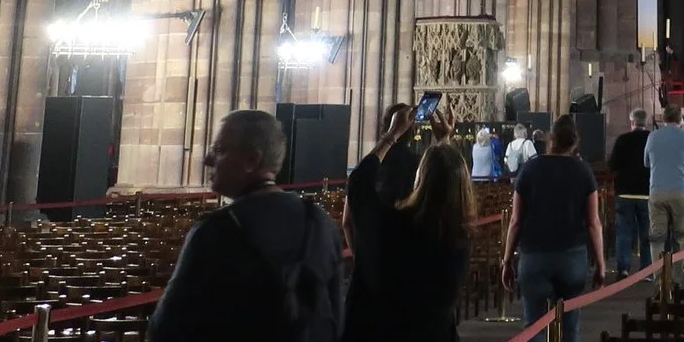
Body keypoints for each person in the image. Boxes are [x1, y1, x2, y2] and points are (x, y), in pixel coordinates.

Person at [152, 110, 346, 342]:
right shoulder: (319, 221)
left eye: (220, 150)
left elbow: (166, 328)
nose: (208, 159)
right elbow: (336, 315)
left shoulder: (216, 232)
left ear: (252, 160)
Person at [342, 106, 472, 342]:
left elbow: (359, 183)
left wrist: (391, 135)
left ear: (419, 179)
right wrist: (444, 141)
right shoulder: (457, 238)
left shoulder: (393, 227)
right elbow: (448, 179)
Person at [504, 114, 603, 342]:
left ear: (551, 138)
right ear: (574, 141)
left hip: (534, 256)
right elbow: (593, 222)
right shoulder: (583, 171)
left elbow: (516, 221)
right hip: (571, 256)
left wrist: (507, 260)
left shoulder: (530, 169)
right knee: (569, 327)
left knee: (535, 327)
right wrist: (600, 264)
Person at [343, 104, 425, 332]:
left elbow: (347, 222)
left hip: (366, 287)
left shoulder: (368, 173)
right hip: (407, 287)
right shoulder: (417, 167)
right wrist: (443, 141)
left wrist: (363, 258)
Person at [644, 103, 684, 258]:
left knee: (657, 238)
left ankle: (659, 279)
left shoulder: (652, 136)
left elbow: (646, 162)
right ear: (680, 118)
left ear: (663, 118)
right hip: (681, 190)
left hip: (657, 190)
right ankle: (677, 278)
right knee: (680, 237)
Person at [607, 108, 651, 273]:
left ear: (632, 122)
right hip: (646, 192)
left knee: (624, 233)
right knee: (646, 234)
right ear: (645, 122)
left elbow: (612, 165)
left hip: (625, 191)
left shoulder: (622, 140)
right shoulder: (651, 138)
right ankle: (646, 269)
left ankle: (623, 268)